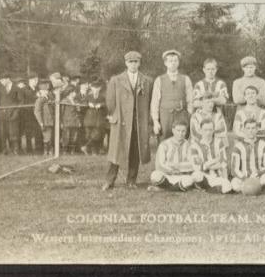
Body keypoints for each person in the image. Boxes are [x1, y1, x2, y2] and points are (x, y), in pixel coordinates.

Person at [104, 51, 153, 190]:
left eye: (136, 62)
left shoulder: (146, 81)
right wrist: (116, 115)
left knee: (135, 151)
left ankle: (131, 180)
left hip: (138, 122)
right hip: (121, 121)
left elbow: (149, 102)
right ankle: (109, 180)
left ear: (139, 63)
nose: (133, 64)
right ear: (126, 63)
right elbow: (110, 101)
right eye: (130, 62)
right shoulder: (116, 80)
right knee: (116, 151)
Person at [151, 49, 194, 140]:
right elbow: (155, 103)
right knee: (164, 143)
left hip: (181, 116)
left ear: (178, 63)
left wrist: (188, 117)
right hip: (165, 118)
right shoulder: (159, 80)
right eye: (170, 61)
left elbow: (191, 100)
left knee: (182, 143)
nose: (173, 63)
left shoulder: (186, 79)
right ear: (165, 63)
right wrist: (155, 121)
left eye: (175, 60)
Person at [149, 119, 197, 191]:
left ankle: (164, 189)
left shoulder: (189, 145)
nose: (180, 133)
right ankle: (177, 188)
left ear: (186, 132)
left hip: (182, 175)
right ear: (173, 130)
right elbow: (160, 164)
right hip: (167, 175)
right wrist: (171, 170)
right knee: (155, 175)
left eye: (183, 131)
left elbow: (192, 164)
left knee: (190, 179)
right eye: (178, 130)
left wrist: (177, 166)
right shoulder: (164, 145)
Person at [230, 117, 265, 193]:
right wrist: (244, 178)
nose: (250, 131)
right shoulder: (238, 146)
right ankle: (256, 188)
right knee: (234, 184)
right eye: (248, 128)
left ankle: (253, 188)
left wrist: (258, 173)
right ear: (243, 130)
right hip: (244, 176)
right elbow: (234, 169)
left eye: (253, 128)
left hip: (258, 176)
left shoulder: (264, 145)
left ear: (257, 129)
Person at [190, 116, 232, 193]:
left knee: (227, 187)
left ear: (213, 130)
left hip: (217, 175)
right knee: (196, 175)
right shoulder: (195, 145)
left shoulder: (219, 142)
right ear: (200, 130)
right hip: (204, 175)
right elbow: (197, 167)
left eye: (210, 130)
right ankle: (212, 188)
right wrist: (215, 160)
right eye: (205, 130)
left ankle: (208, 189)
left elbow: (223, 162)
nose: (208, 132)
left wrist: (206, 165)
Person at [81, 77, 108, 154]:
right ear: (91, 88)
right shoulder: (88, 97)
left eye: (97, 88)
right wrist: (88, 104)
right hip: (89, 119)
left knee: (97, 135)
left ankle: (94, 150)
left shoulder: (102, 97)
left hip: (98, 119)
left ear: (100, 88)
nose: (95, 90)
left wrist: (101, 105)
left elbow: (107, 106)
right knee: (88, 135)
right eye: (93, 88)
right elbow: (82, 105)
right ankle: (87, 149)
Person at [33, 80, 55, 156]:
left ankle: (49, 151)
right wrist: (41, 122)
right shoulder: (39, 100)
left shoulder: (50, 98)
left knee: (50, 136)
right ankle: (47, 151)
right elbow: (37, 112)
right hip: (45, 121)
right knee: (47, 137)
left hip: (51, 120)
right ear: (41, 91)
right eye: (44, 90)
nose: (46, 92)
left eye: (47, 90)